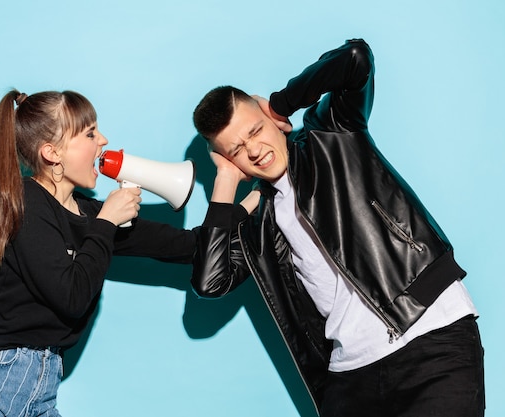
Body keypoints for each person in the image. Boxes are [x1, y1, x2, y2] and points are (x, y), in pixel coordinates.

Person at [191, 38, 485, 417]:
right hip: (349, 377)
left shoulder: (331, 135)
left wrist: (281, 101)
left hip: (430, 335)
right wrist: (225, 182)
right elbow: (209, 282)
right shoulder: (259, 226)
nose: (253, 150)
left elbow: (355, 59)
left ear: (272, 121)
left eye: (255, 131)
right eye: (235, 150)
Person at [0, 90, 197, 417]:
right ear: (52, 153)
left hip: (41, 387)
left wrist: (242, 201)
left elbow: (182, 244)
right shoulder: (26, 203)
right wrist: (107, 221)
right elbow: (71, 296)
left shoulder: (89, 214)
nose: (104, 140)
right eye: (91, 133)